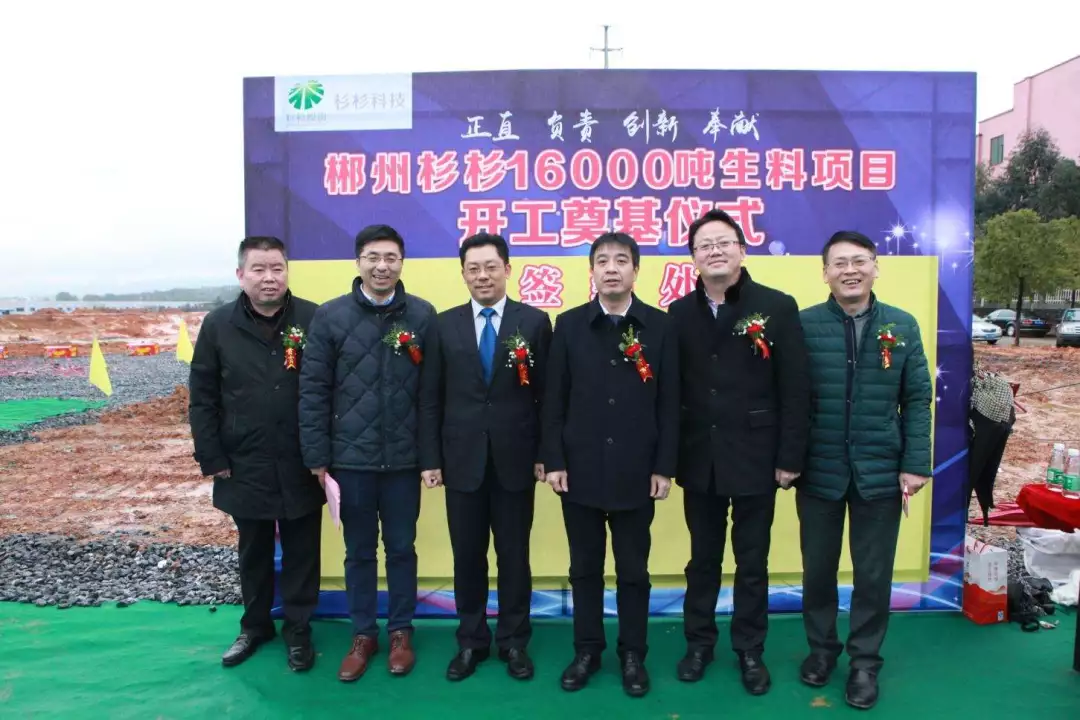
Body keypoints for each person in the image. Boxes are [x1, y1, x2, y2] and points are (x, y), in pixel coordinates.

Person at [667, 209, 811, 694]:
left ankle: (750, 649)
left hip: (757, 455)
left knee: (752, 561)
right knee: (702, 559)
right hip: (699, 457)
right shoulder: (678, 313)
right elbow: (671, 391)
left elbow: (795, 388)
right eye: (704, 245)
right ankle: (699, 644)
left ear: (742, 250)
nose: (715, 251)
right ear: (693, 257)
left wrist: (790, 457)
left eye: (723, 242)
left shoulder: (776, 306)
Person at [797, 230, 932, 710]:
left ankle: (864, 664)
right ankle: (821, 650)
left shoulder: (902, 324)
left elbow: (917, 398)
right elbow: (790, 400)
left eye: (859, 261)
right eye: (839, 263)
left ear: (876, 267)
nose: (850, 270)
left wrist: (915, 464)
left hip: (880, 470)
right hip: (819, 470)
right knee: (817, 570)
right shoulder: (804, 325)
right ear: (825, 273)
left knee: (873, 575)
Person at [541, 232, 679, 698]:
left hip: (638, 471)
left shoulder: (660, 327)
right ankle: (587, 650)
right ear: (592, 271)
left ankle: (633, 653)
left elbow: (670, 403)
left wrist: (664, 466)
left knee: (634, 570)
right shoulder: (569, 325)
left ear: (636, 270)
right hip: (579, 470)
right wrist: (554, 459)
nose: (612, 268)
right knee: (584, 568)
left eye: (622, 260)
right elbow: (554, 400)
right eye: (602, 261)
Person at [298, 224, 436, 683]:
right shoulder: (330, 316)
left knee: (401, 549)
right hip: (350, 462)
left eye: (391, 258)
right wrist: (317, 456)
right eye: (373, 257)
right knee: (358, 553)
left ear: (402, 263)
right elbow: (313, 390)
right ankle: (363, 635)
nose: (382, 266)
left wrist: (430, 457)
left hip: (403, 462)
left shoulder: (421, 315)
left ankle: (400, 632)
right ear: (358, 262)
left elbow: (431, 394)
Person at [418, 232, 553, 682]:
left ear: (507, 269)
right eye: (473, 268)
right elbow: (430, 398)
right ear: (462, 274)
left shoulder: (534, 322)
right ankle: (471, 641)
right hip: (461, 462)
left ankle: (514, 642)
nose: (482, 276)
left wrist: (545, 453)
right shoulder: (443, 325)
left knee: (515, 556)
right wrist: (430, 458)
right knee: (468, 557)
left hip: (516, 460)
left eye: (491, 266)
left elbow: (546, 397)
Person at [188, 236, 324, 672]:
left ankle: (299, 629)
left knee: (303, 549)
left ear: (287, 272)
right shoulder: (218, 325)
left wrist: (324, 453)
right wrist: (212, 456)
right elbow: (202, 397)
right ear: (241, 275)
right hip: (243, 459)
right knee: (254, 549)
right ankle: (255, 625)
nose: (269, 278)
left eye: (277, 268)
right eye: (259, 269)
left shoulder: (313, 318)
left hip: (303, 458)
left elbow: (331, 390)